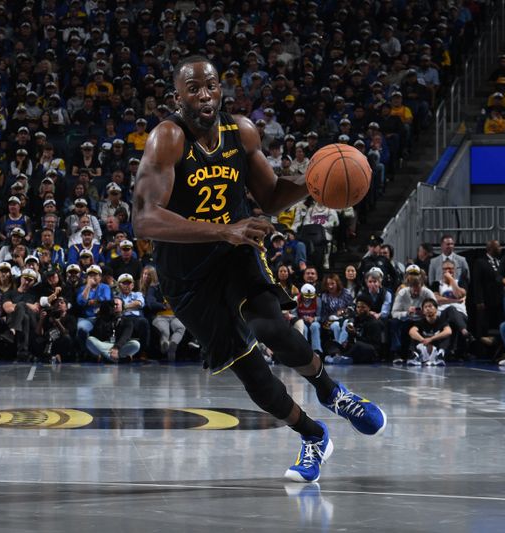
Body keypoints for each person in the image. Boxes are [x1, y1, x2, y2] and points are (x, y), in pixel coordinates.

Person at [132, 56, 385, 483]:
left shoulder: (241, 131)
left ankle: (332, 392)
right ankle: (313, 436)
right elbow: (144, 219)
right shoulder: (167, 139)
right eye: (193, 88)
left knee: (269, 326)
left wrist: (310, 182)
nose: (205, 94)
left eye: (211, 85)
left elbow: (268, 198)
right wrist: (221, 229)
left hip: (236, 253)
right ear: (178, 97)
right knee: (252, 371)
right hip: (186, 274)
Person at [406, 299, 452, 366]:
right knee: (414, 335)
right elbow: (412, 331)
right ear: (423, 311)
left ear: (436, 309)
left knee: (446, 335)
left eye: (430, 306)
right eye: (425, 307)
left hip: (436, 344)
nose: (428, 309)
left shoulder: (441, 320)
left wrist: (431, 339)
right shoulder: (420, 322)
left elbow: (448, 331)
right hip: (424, 343)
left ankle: (440, 356)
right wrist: (422, 340)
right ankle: (414, 356)